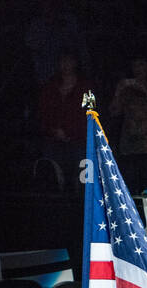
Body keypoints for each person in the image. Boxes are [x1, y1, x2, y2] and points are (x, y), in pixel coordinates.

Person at [108, 56, 147, 194]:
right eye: (135, 66)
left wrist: (144, 89)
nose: (138, 69)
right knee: (130, 188)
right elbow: (113, 112)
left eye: (141, 65)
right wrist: (118, 90)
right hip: (130, 145)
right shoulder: (127, 89)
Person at [37, 51, 90, 190]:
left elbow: (90, 113)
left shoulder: (85, 88)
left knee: (81, 181)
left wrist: (71, 133)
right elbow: (43, 113)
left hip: (79, 141)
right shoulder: (50, 87)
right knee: (53, 179)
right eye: (62, 61)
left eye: (69, 61)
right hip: (53, 141)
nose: (66, 65)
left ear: (75, 63)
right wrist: (54, 131)